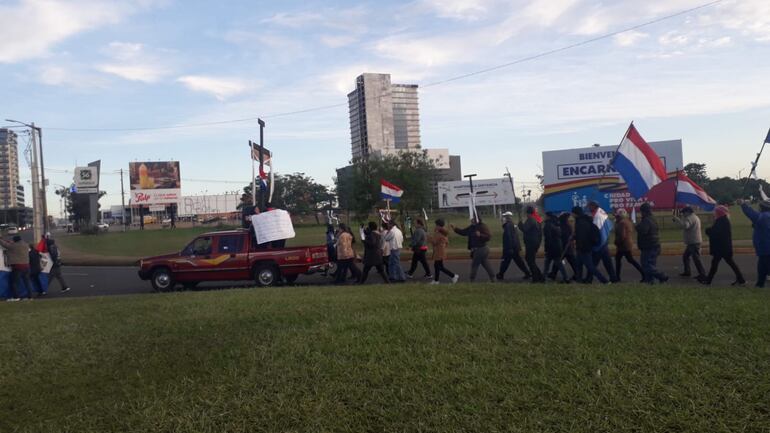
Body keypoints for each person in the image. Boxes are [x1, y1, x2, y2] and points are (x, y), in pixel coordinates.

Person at [703, 205, 745, 285]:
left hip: (720, 247)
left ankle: (708, 280)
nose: (714, 213)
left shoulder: (721, 221)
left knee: (715, 264)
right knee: (730, 263)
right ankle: (741, 279)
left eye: (716, 212)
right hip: (724, 247)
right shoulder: (723, 220)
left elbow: (716, 233)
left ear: (719, 213)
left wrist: (708, 230)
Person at [452, 216, 495, 283]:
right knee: (486, 264)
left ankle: (472, 281)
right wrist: (455, 229)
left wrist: (480, 235)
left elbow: (488, 237)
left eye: (472, 219)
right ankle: (493, 279)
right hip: (478, 249)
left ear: (476, 219)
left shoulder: (482, 226)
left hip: (481, 249)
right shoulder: (472, 227)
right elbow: (464, 232)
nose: (471, 220)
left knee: (474, 265)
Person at [738, 198, 770, 287]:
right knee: (762, 267)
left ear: (762, 208)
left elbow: (750, 213)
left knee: (765, 266)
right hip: (765, 248)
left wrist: (743, 204)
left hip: (765, 247)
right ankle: (759, 284)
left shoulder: (763, 217)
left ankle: (760, 284)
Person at [572, 206, 608, 284]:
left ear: (576, 214)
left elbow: (582, 236)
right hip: (583, 247)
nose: (572, 215)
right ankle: (579, 280)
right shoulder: (584, 221)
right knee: (578, 265)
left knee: (590, 267)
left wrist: (577, 241)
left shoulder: (581, 223)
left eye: (573, 213)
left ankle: (604, 280)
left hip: (583, 248)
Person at [636, 203, 668, 284]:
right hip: (654, 245)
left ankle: (661, 276)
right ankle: (649, 281)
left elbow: (643, 230)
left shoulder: (646, 220)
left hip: (649, 246)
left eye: (641, 211)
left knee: (646, 265)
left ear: (644, 211)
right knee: (651, 264)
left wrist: (637, 226)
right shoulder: (653, 219)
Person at [672, 206, 707, 282]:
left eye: (684, 213)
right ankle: (688, 271)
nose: (683, 214)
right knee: (686, 257)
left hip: (693, 242)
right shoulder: (695, 217)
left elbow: (685, 226)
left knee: (696, 259)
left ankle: (702, 274)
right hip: (694, 241)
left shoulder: (689, 218)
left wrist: (678, 220)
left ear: (688, 212)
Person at [588, 201, 618, 282]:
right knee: (607, 262)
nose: (588, 208)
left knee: (593, 263)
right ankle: (613, 278)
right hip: (604, 242)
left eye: (590, 206)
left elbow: (596, 231)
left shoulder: (598, 216)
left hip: (599, 243)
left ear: (594, 206)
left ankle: (589, 278)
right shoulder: (601, 212)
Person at [497, 211, 530, 281]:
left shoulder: (508, 226)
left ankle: (500, 274)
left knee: (505, 262)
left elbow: (509, 237)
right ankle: (527, 273)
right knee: (519, 262)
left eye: (505, 217)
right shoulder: (512, 225)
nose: (504, 218)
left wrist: (509, 248)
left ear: (507, 218)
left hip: (510, 248)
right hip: (514, 247)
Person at [0, 235, 34, 300]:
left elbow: (5, 245)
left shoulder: (14, 246)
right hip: (26, 266)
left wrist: (0, 239)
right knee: (27, 282)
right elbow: (11, 243)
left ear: (15, 240)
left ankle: (16, 297)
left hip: (18, 267)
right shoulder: (26, 245)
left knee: (15, 283)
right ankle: (31, 296)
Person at [614, 209, 643, 282]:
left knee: (627, 260)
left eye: (617, 216)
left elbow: (622, 235)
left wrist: (616, 242)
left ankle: (617, 277)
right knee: (623, 259)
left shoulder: (622, 223)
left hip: (623, 245)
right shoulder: (627, 221)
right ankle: (617, 277)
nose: (616, 217)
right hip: (627, 244)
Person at [429, 219, 459, 284]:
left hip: (439, 252)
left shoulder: (439, 233)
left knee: (439, 267)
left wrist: (429, 237)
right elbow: (447, 242)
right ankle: (436, 280)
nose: (435, 226)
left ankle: (453, 276)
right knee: (438, 266)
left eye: (436, 225)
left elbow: (434, 242)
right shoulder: (443, 232)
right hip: (441, 251)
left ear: (439, 226)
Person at [518, 206, 544, 282]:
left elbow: (525, 229)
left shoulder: (531, 220)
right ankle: (539, 276)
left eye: (527, 213)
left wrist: (520, 224)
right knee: (530, 259)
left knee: (530, 260)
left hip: (531, 243)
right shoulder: (535, 220)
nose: (526, 215)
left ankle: (536, 278)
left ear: (528, 213)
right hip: (534, 242)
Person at [543, 211, 569, 283]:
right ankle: (566, 278)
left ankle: (544, 278)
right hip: (558, 246)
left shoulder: (548, 225)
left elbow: (548, 238)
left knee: (547, 263)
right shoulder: (557, 224)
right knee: (558, 263)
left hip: (551, 248)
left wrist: (546, 248)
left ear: (548, 216)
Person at [557, 212, 578, 281]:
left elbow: (564, 237)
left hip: (565, 247)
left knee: (560, 260)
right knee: (571, 261)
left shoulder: (563, 226)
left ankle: (577, 274)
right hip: (568, 247)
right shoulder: (568, 225)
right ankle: (553, 273)